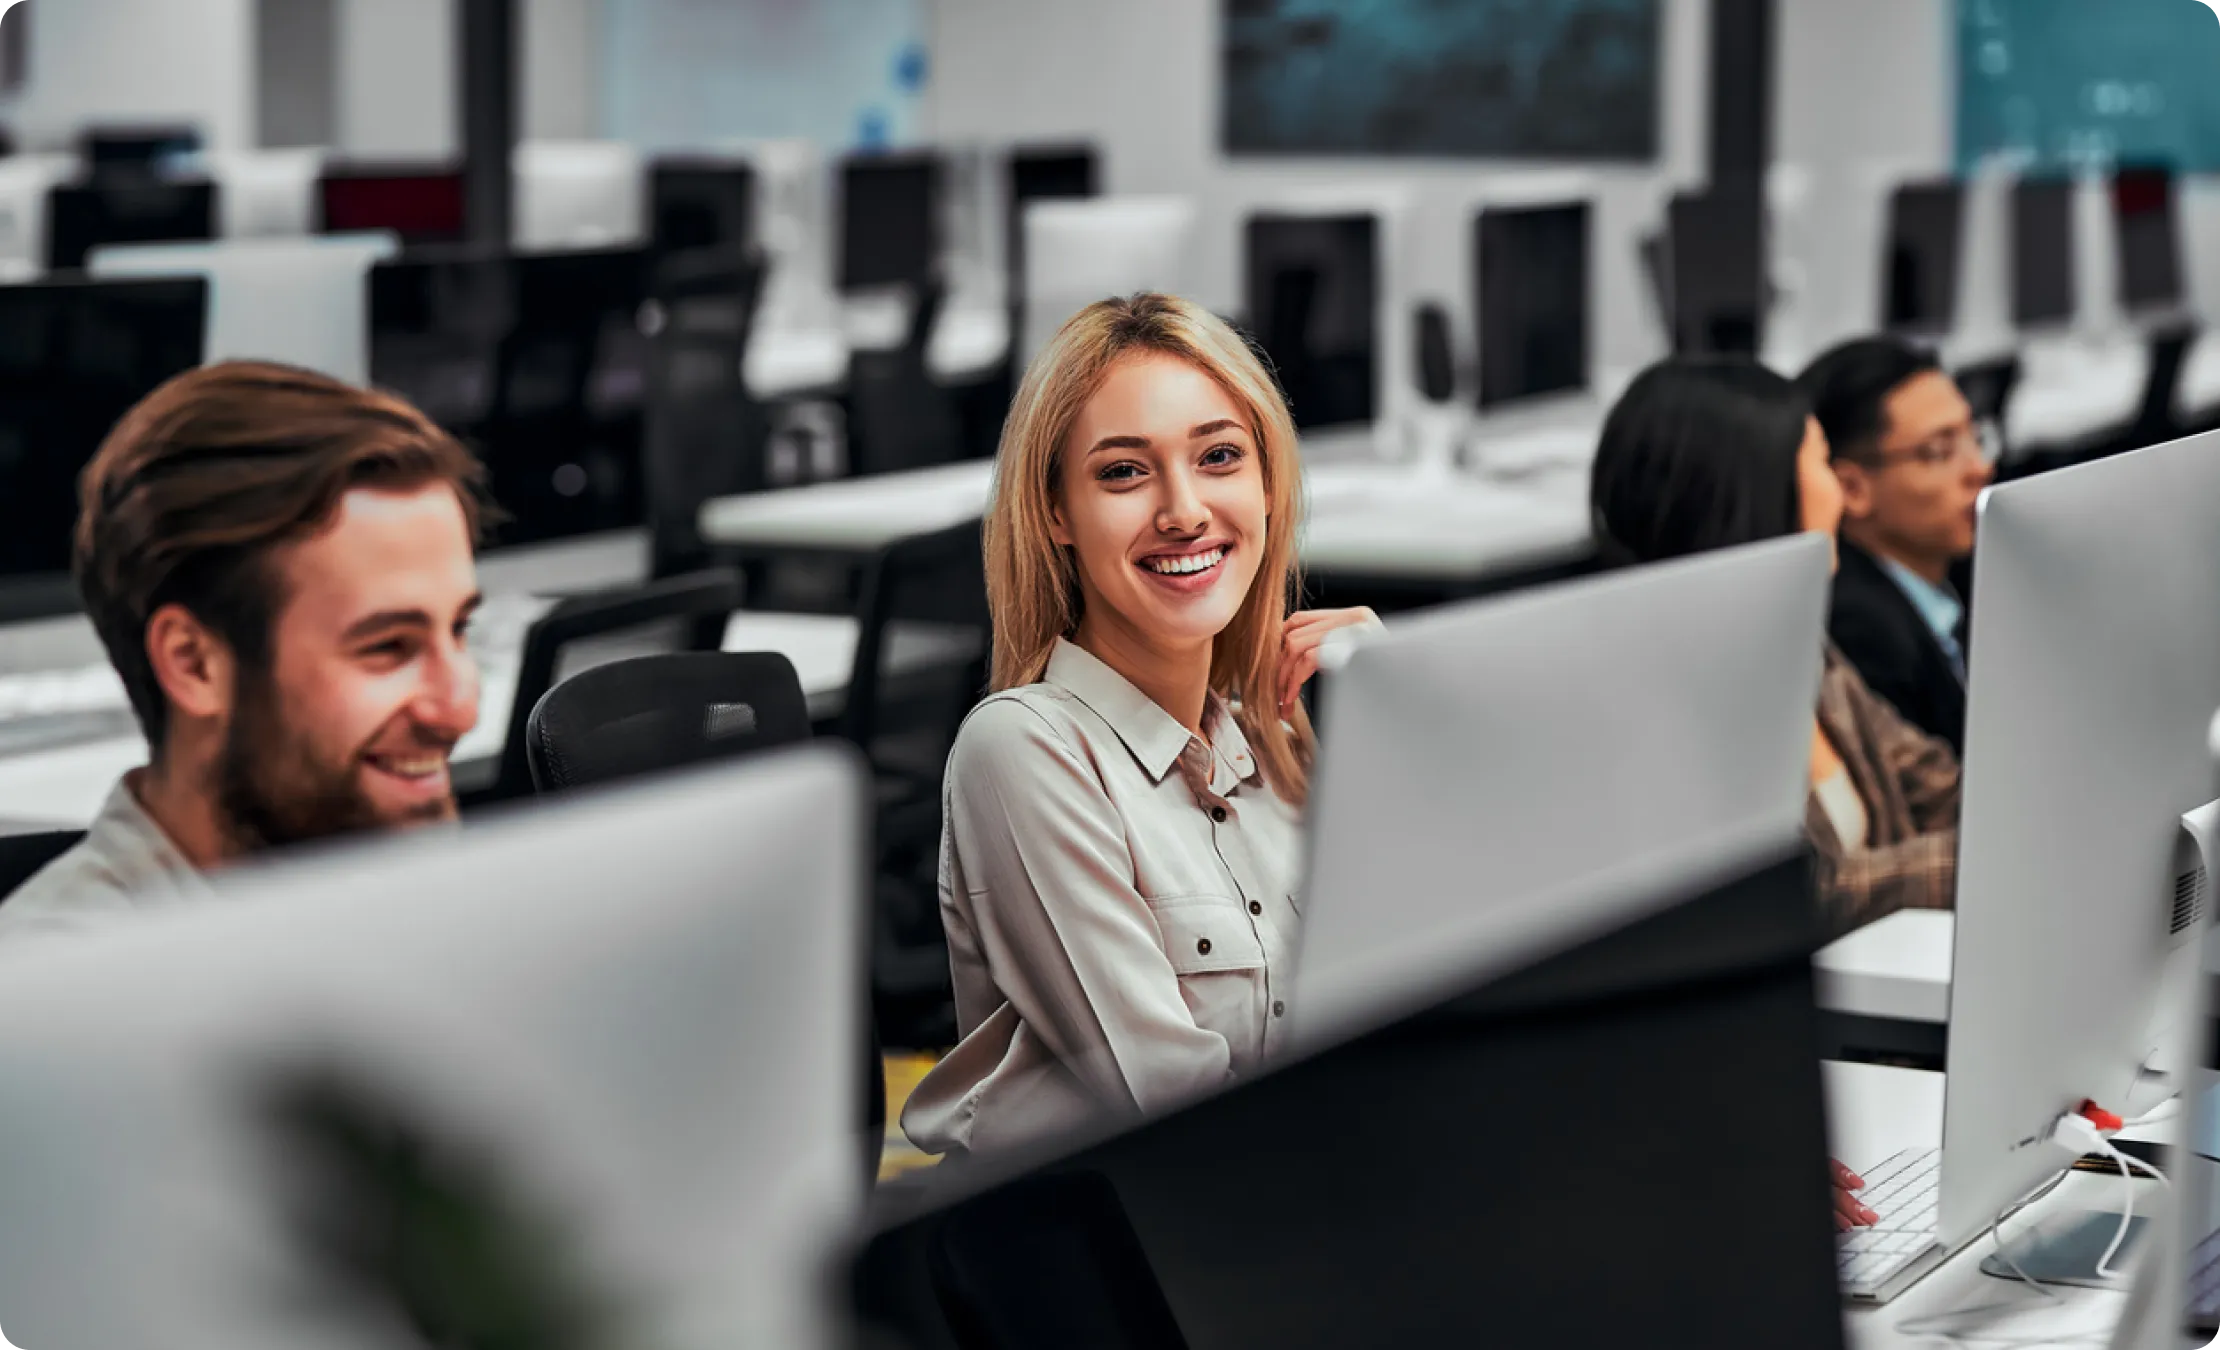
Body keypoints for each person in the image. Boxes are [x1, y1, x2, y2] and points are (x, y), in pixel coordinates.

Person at [899, 294, 1380, 1163]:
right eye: (1124, 472)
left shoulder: (1280, 746)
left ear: (1267, 484)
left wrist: (1395, 724)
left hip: (1284, 1213)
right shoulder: (1025, 751)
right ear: (1054, 513)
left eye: (1221, 457)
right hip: (1114, 1251)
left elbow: (1433, 998)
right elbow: (1178, 1109)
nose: (1185, 510)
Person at [0, 361, 493, 939]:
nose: (460, 709)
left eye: (458, 629)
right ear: (194, 663)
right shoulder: (59, 997)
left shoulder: (412, 905)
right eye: (388, 647)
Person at [1589, 357, 1959, 939]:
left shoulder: (1801, 644)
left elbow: (1930, 778)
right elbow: (1802, 896)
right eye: (1819, 462)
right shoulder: (1671, 697)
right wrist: (1989, 859)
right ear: (1756, 490)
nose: (1840, 490)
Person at [1796, 337, 1995, 755]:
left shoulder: (1962, 573)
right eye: (1939, 451)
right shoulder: (1862, 633)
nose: (1978, 468)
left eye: (1974, 437)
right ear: (1851, 488)